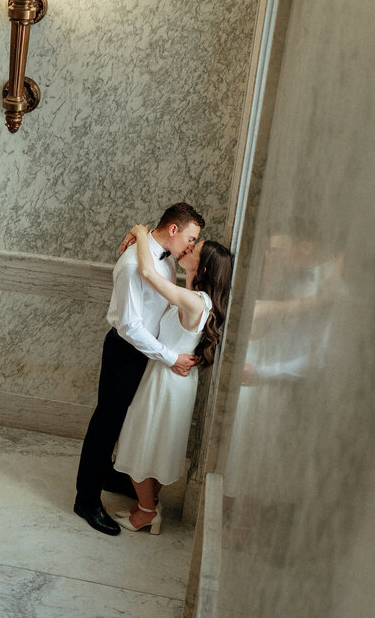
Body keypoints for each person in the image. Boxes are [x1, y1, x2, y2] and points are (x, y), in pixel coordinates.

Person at [73, 202, 204, 536]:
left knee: (126, 421)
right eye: (190, 238)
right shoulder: (134, 263)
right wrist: (170, 357)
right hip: (126, 351)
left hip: (148, 353)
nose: (191, 245)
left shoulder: (164, 259)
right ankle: (86, 499)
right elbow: (130, 326)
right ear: (173, 229)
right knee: (106, 424)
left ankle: (111, 476)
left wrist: (139, 230)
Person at [111, 224, 233, 533]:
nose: (187, 248)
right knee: (156, 444)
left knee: (139, 443)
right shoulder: (196, 297)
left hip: (165, 381)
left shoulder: (195, 301)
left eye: (194, 249)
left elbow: (148, 273)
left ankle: (147, 512)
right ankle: (148, 504)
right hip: (173, 379)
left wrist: (141, 233)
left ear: (203, 268)